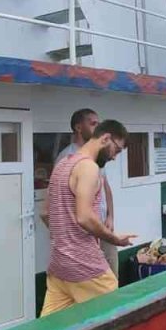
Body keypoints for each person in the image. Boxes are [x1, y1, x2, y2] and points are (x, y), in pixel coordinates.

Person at [44, 120, 138, 315]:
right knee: (114, 318)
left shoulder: (62, 164)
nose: (114, 157)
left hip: (59, 267)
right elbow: (85, 217)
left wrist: (65, 238)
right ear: (105, 138)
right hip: (85, 265)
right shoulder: (89, 167)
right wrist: (114, 239)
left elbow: (45, 213)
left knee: (53, 327)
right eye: (117, 150)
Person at [43, 109, 117, 275]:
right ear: (78, 127)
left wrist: (110, 216)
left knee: (112, 275)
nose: (98, 128)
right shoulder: (66, 157)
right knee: (93, 280)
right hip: (83, 235)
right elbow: (52, 203)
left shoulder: (97, 154)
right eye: (93, 124)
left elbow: (106, 187)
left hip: (103, 228)